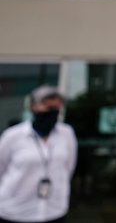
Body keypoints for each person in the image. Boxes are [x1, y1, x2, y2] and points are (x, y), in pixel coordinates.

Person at [0, 86, 77, 223]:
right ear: (33, 107)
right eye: (47, 107)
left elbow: (68, 167)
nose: (52, 113)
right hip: (16, 211)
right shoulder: (13, 136)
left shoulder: (66, 134)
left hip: (53, 210)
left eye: (56, 109)